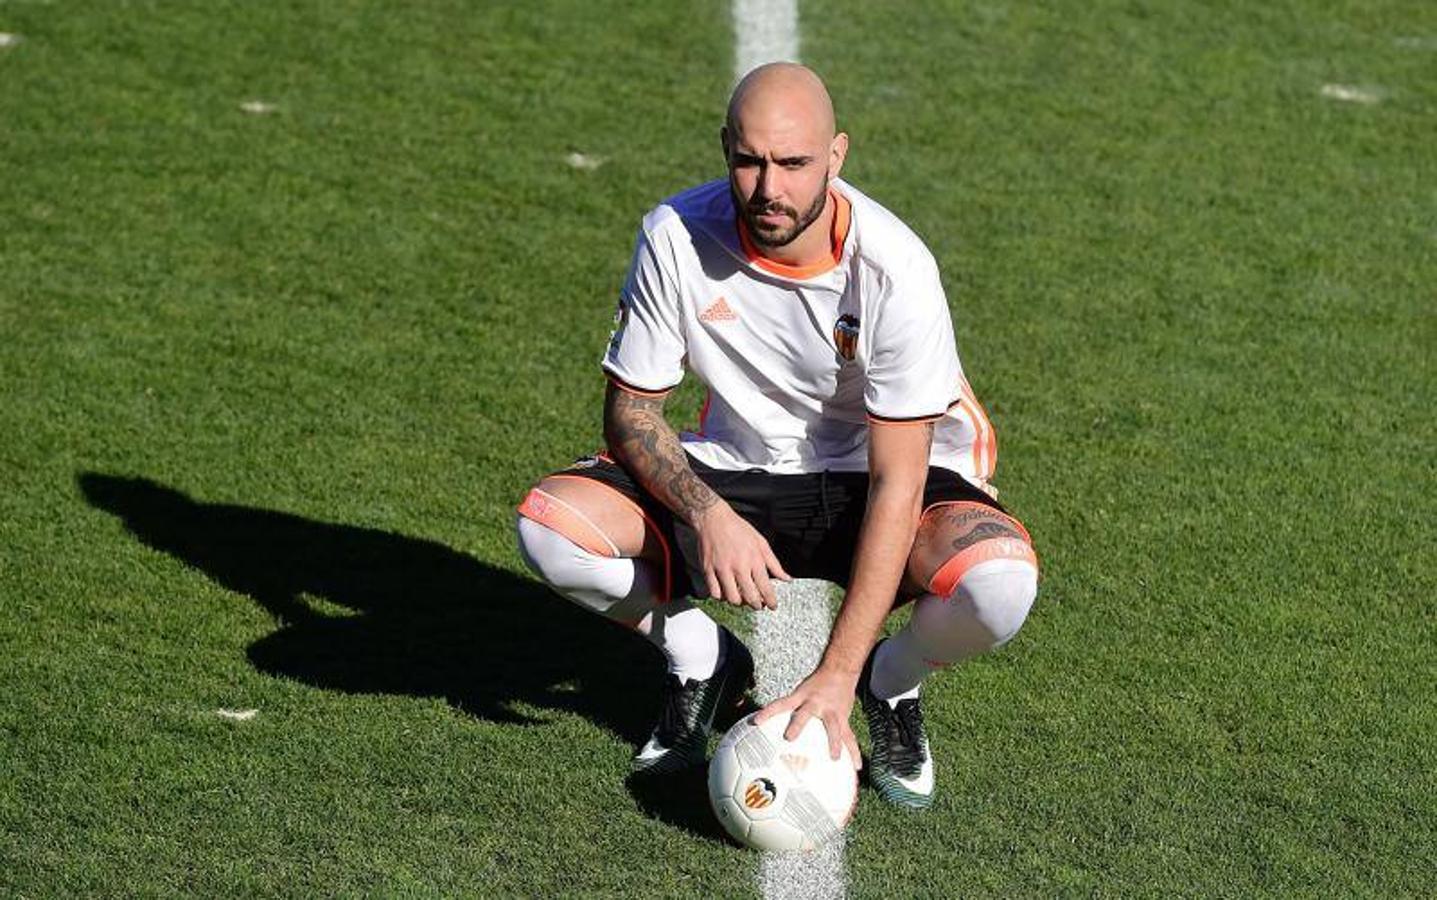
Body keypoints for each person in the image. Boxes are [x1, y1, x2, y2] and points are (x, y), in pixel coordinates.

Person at [515, 63, 1038, 809]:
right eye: (749, 160)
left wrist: (833, 674)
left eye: (793, 164)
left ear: (836, 156)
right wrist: (708, 514)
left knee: (999, 582)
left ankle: (888, 682)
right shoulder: (674, 235)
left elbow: (899, 480)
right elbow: (631, 415)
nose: (769, 189)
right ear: (725, 147)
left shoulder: (895, 268)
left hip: (870, 476)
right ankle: (702, 659)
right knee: (551, 529)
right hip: (737, 467)